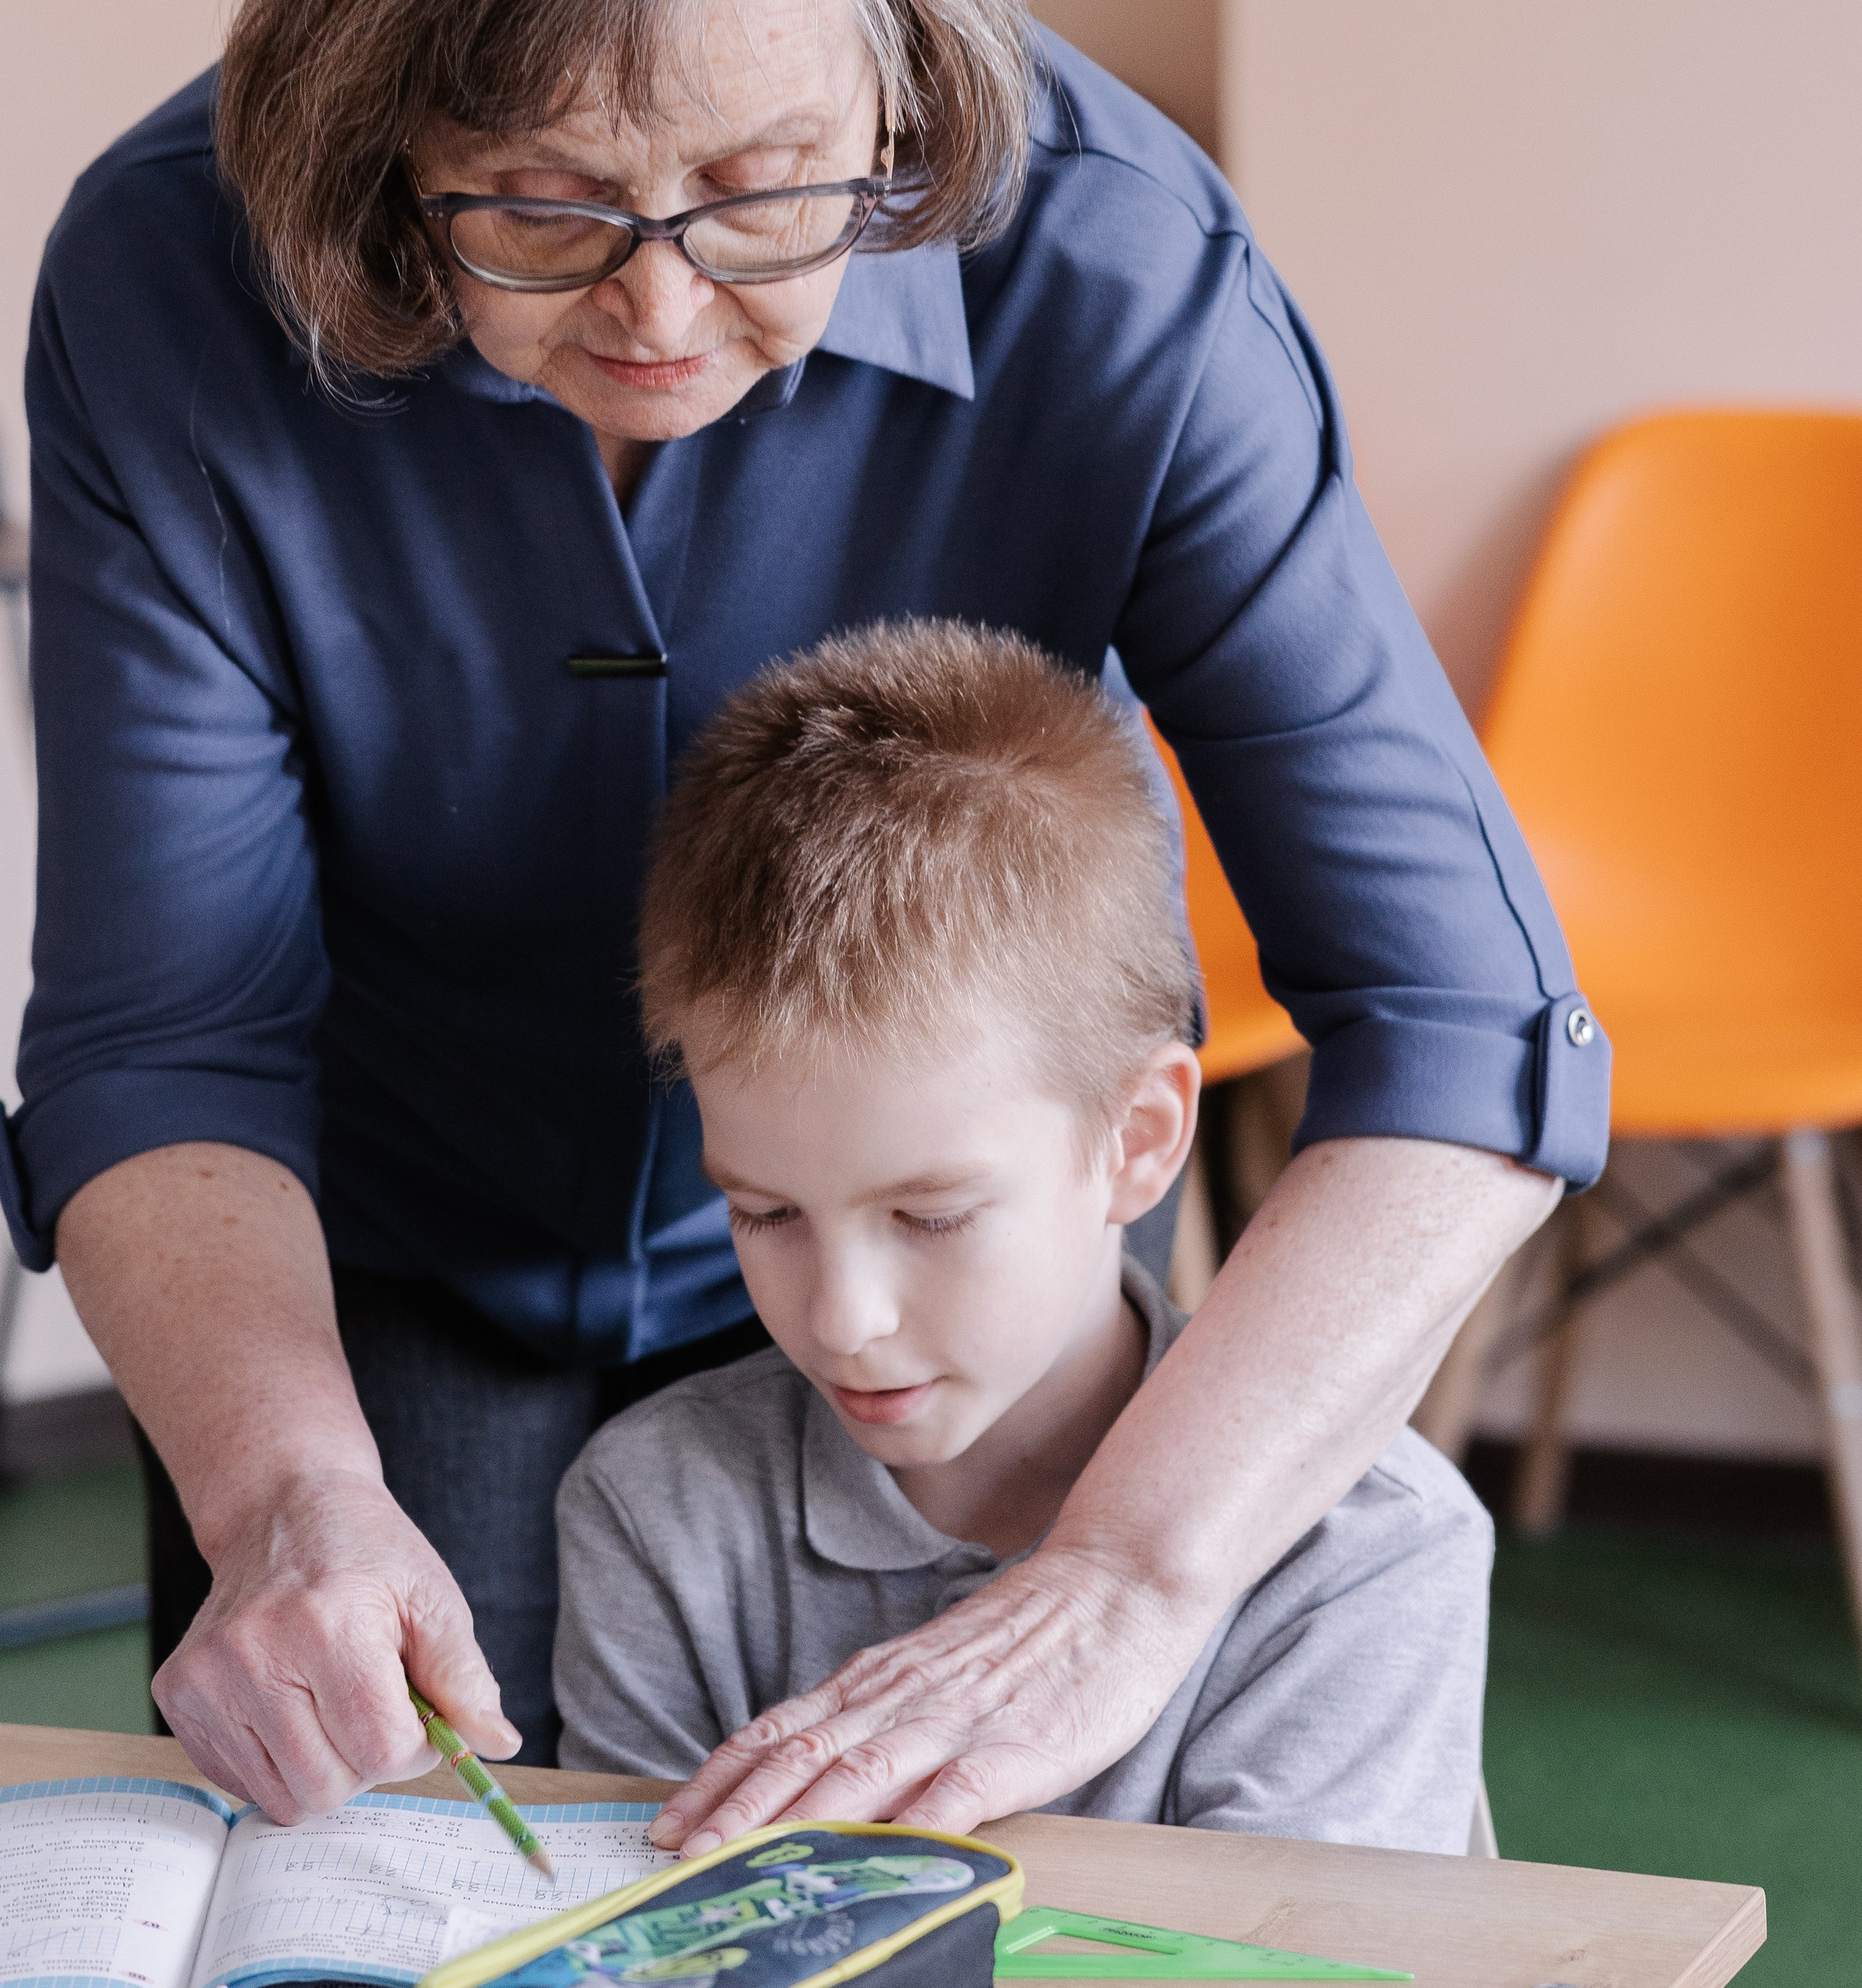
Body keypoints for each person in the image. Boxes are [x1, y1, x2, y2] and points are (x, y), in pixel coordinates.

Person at [0, 0, 1603, 1833]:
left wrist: (1134, 1571)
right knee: (397, 1978)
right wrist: (289, 1504)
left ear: (903, 87)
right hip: (386, 1266)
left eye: (767, 188)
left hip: (960, 1241)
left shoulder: (1126, 277)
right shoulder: (178, 282)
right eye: (540, 208)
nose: (660, 304)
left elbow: (1467, 1017)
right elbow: (164, 1037)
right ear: (380, 144)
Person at [554, 623, 1491, 1857]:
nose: (841, 1319)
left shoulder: (1370, 1547)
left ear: (1140, 1138)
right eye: (766, 1212)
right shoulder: (653, 1506)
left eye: (930, 1216)